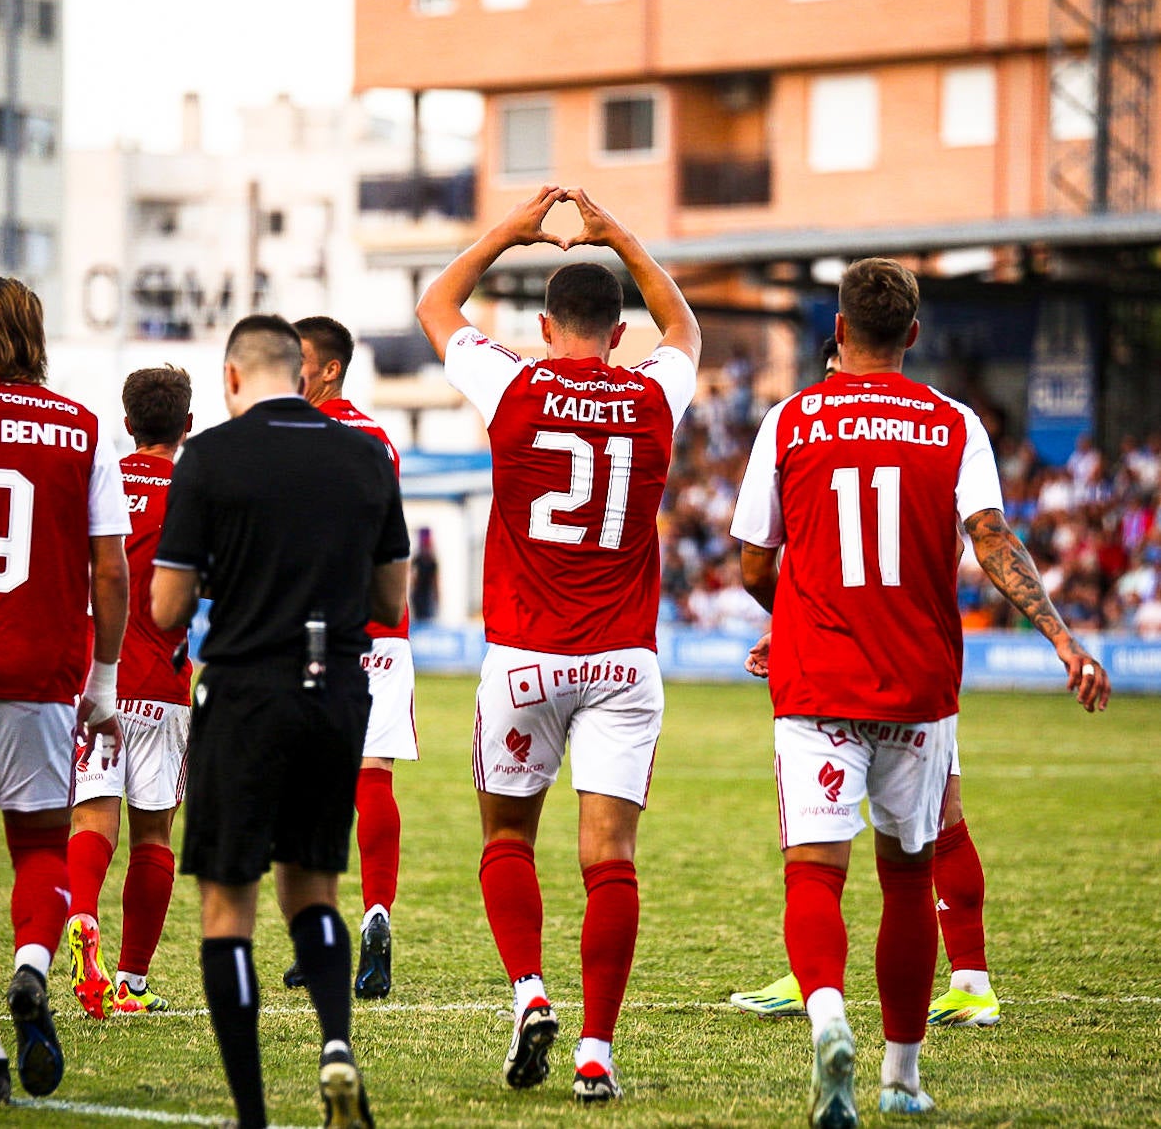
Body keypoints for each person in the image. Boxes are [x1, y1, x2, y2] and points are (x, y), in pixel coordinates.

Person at [730, 258, 1110, 1127]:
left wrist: (798, 614)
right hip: (918, 686)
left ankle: (828, 1017)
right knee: (907, 883)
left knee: (814, 876)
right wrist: (1061, 638)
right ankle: (901, 1076)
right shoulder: (954, 423)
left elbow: (755, 561)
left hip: (817, 678)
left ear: (835, 331)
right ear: (912, 333)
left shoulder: (789, 421)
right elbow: (990, 539)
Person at [416, 185, 700, 1103]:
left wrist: (511, 229)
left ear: (545, 326)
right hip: (625, 662)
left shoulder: (514, 380)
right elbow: (685, 326)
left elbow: (434, 304)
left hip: (525, 658)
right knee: (610, 857)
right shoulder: (656, 391)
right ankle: (596, 1050)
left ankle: (529, 990)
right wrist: (617, 232)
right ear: (621, 334)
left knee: (507, 836)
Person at [150, 315, 409, 1129]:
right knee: (313, 892)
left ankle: (254, 1112)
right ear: (301, 372)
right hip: (334, 690)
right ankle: (336, 1046)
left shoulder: (211, 458)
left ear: (232, 377)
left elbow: (166, 605)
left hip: (245, 690)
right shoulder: (367, 454)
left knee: (229, 909)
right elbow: (393, 600)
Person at [731, 335, 1003, 1029]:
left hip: (871, 658)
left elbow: (766, 562)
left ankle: (840, 983)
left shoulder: (809, 422)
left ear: (846, 349)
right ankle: (953, 987)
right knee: (931, 824)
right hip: (911, 656)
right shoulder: (934, 426)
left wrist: (809, 623)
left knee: (872, 838)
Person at [0, 276, 130, 1099]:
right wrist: (104, 678)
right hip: (39, 665)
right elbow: (109, 568)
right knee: (40, 845)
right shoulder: (81, 428)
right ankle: (33, 964)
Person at [279, 314, 417, 1001]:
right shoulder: (380, 440)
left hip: (316, 628)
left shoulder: (294, 437)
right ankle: (376, 914)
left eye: (295, 359)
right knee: (374, 775)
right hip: (383, 628)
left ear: (328, 369)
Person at [66, 366, 194, 1020]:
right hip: (165, 684)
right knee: (153, 835)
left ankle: (82, 917)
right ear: (187, 426)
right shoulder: (194, 489)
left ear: (126, 423)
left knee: (92, 818)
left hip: (98, 676)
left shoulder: (99, 475)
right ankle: (131, 983)